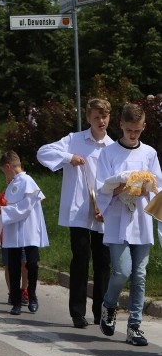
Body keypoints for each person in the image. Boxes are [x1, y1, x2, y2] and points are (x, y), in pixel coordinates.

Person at [37, 98, 113, 328]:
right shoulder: (74, 140)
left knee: (103, 261)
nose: (101, 121)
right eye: (96, 117)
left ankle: (100, 311)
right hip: (80, 210)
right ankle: (77, 312)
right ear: (88, 117)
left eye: (105, 116)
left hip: (105, 211)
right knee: (80, 258)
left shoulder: (112, 146)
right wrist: (69, 158)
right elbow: (43, 152)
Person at [96, 103, 162, 346]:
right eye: (129, 130)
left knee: (140, 274)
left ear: (144, 127)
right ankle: (109, 304)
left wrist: (148, 187)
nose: (133, 135)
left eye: (138, 130)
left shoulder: (149, 153)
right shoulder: (109, 153)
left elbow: (158, 186)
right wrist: (121, 185)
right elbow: (102, 187)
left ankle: (134, 325)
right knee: (122, 271)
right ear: (121, 125)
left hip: (141, 219)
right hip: (117, 219)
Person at [0, 151, 48, 316]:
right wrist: (0, 211)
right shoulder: (12, 184)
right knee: (14, 266)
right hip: (13, 230)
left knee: (31, 264)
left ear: (9, 167)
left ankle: (32, 296)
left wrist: (3, 210)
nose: (5, 175)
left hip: (29, 230)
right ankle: (16, 301)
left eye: (4, 171)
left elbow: (25, 208)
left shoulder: (27, 181)